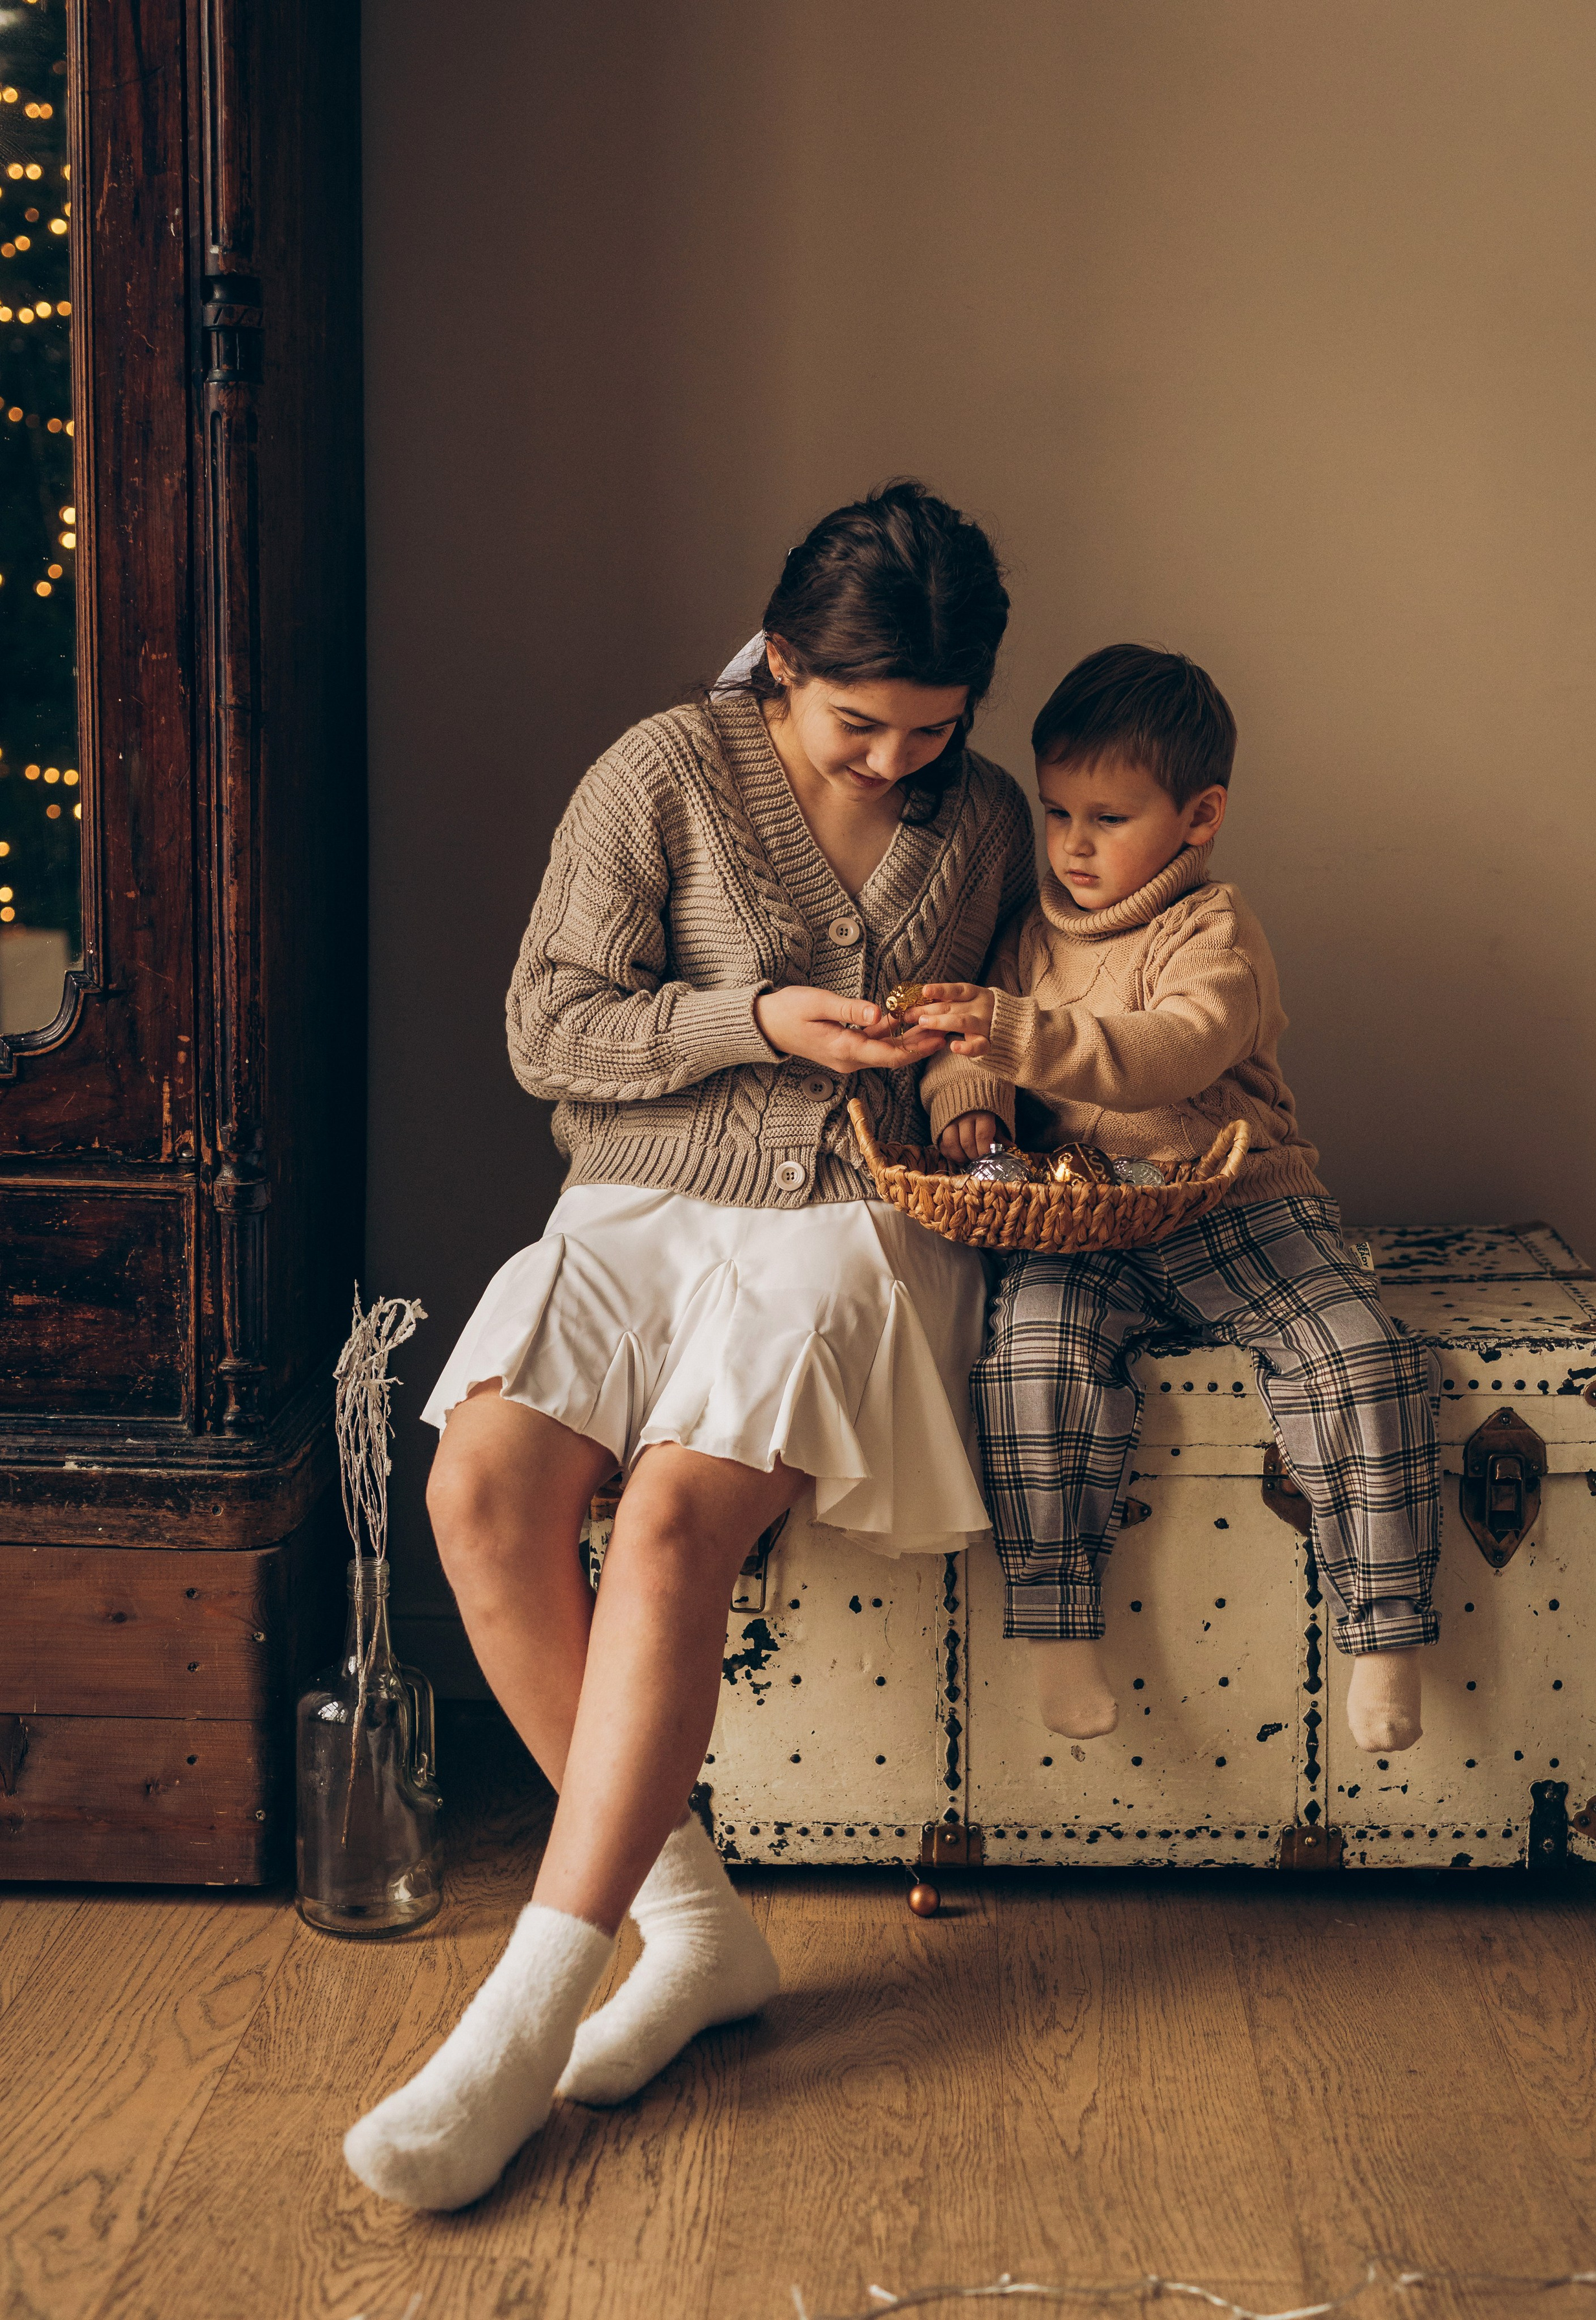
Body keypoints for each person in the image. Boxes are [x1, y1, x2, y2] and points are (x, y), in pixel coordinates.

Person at [343, 482, 1033, 2211]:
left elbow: (984, 1038)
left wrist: (967, 1082)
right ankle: (695, 1926)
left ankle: (521, 2015)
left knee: (667, 1521)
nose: (895, 761)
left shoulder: (984, 817)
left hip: (855, 1225)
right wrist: (756, 1018)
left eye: (932, 729)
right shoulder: (661, 771)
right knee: (478, 1487)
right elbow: (547, 1029)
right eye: (859, 722)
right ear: (781, 660)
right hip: (641, 1199)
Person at [910, 643, 1441, 1752]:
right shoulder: (1027, 935)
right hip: (1082, 1223)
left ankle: (1384, 1630)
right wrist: (973, 1102)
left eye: (1108, 818)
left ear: (1199, 817)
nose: (1073, 844)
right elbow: (972, 1050)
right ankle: (1060, 1633)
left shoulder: (1215, 930)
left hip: (1236, 1205)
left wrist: (1012, 1035)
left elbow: (1169, 1052)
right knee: (1030, 1364)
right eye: (1058, 813)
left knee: (1361, 1359)